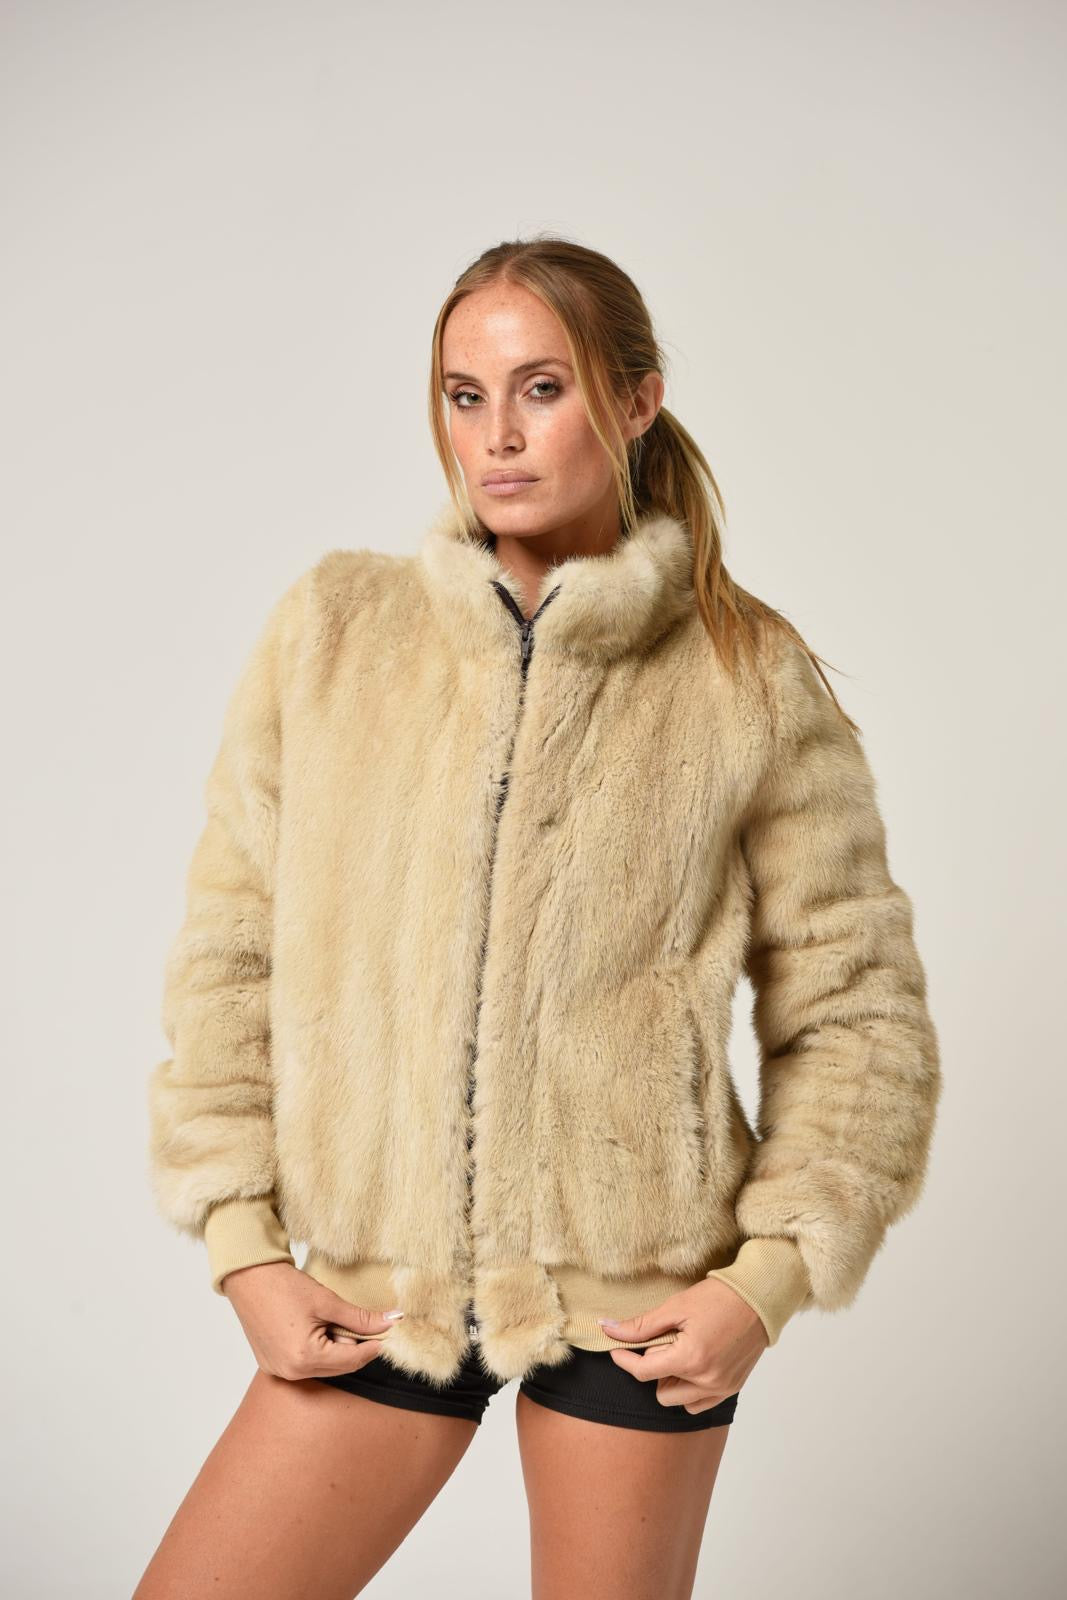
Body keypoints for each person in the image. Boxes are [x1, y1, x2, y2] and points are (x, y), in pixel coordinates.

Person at [135, 237, 941, 1600]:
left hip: (643, 1299)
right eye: (466, 395)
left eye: (541, 388)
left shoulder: (746, 674)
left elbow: (857, 1009)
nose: (497, 436)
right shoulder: (335, 632)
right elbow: (230, 958)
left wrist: (764, 1284)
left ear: (636, 400)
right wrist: (244, 1250)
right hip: (381, 1293)